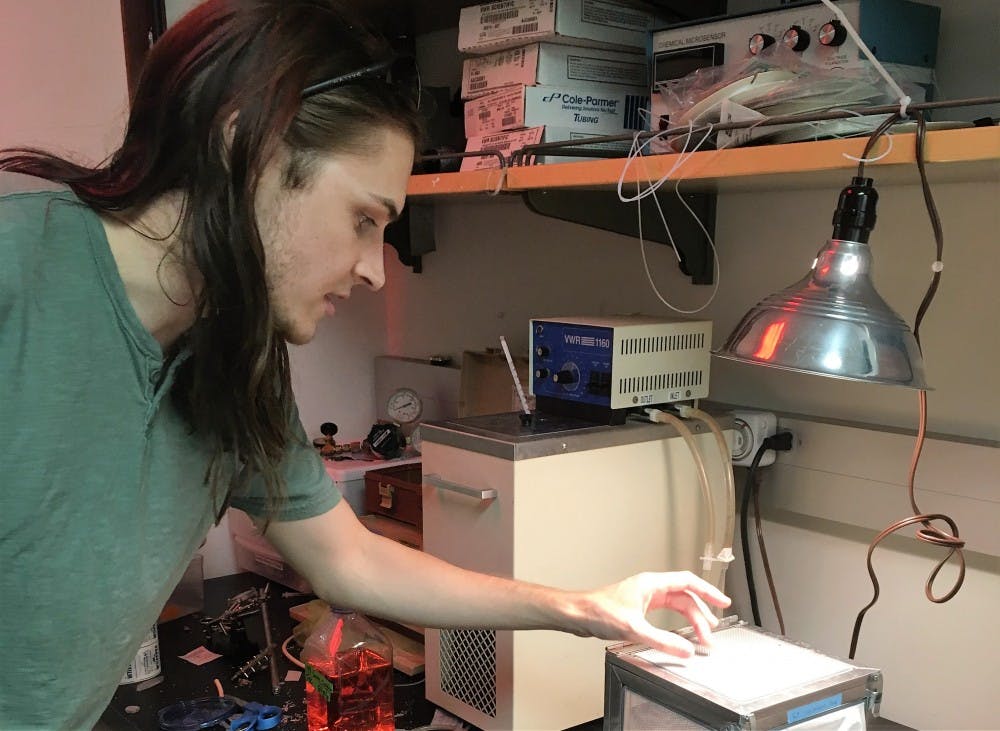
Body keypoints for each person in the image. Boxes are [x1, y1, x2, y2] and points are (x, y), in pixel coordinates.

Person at [0, 1, 731, 728]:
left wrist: (584, 607)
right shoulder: (16, 275)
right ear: (243, 147)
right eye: (363, 219)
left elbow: (349, 560)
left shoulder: (235, 355)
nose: (377, 271)